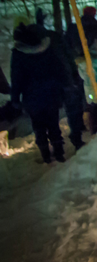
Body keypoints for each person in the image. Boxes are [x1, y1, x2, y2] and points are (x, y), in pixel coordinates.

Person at [11, 22, 69, 163]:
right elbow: (59, 68)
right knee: (53, 124)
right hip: (51, 93)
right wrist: (65, 86)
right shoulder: (47, 48)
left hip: (32, 98)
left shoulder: (19, 54)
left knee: (39, 127)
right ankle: (59, 153)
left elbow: (16, 78)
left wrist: (15, 99)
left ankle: (46, 156)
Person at [36, 8, 86, 150]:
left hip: (48, 84)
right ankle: (75, 139)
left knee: (50, 116)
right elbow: (68, 56)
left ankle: (55, 149)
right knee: (72, 109)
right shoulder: (55, 37)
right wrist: (74, 75)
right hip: (64, 79)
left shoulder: (30, 44)